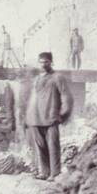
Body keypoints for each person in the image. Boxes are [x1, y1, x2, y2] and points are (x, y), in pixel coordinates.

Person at [17, 52, 73, 180]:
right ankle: (44, 172)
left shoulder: (57, 78)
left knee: (53, 146)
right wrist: (27, 117)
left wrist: (64, 113)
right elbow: (31, 99)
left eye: (46, 62)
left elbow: (66, 96)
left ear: (51, 62)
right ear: (39, 63)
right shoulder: (36, 79)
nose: (43, 64)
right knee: (40, 147)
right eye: (41, 62)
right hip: (35, 118)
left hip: (50, 116)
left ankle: (55, 173)